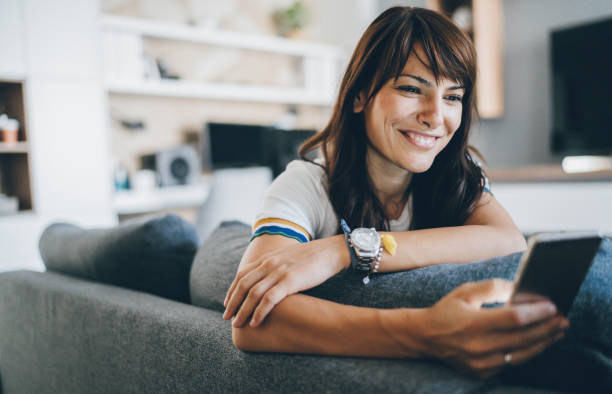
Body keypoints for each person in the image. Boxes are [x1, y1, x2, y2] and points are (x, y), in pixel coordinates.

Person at [222, 6, 569, 379]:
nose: (436, 116)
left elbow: (507, 240)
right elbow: (251, 322)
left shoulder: (457, 174)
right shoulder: (307, 182)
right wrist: (426, 333)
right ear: (359, 96)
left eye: (453, 96)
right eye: (410, 88)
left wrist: (346, 249)